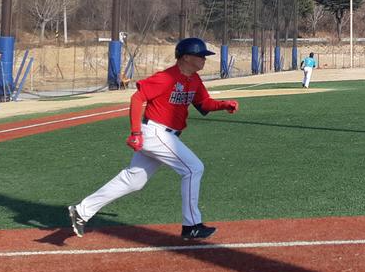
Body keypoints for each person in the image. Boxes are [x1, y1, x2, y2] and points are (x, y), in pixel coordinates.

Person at [67, 37, 238, 241]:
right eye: (200, 55)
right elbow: (137, 98)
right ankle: (191, 225)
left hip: (164, 135)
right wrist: (135, 132)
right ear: (185, 57)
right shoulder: (166, 77)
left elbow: (204, 104)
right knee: (194, 168)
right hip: (155, 133)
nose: (204, 59)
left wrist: (223, 105)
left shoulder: (194, 79)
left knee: (134, 180)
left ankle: (81, 210)